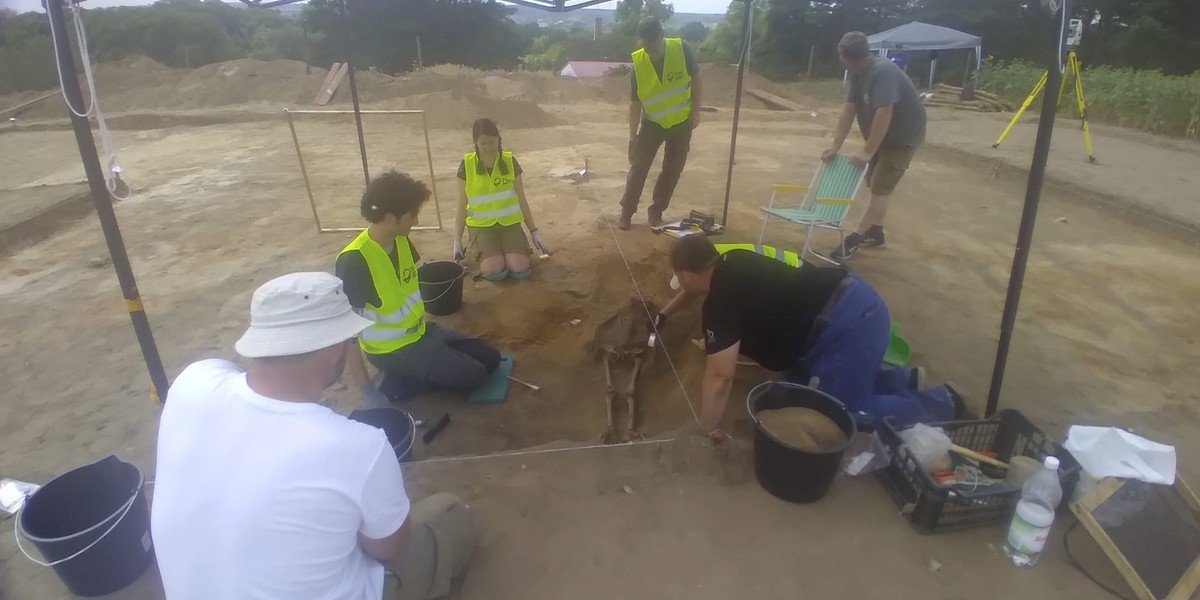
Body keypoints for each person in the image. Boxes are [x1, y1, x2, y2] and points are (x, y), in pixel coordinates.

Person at [152, 272, 475, 600]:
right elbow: (388, 548)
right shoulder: (359, 446)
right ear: (336, 348)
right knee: (448, 516)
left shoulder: (192, 381)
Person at [657, 236, 961, 442]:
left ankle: (940, 402)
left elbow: (721, 375)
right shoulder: (733, 259)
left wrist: (704, 428)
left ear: (685, 274)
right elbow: (694, 288)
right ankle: (902, 381)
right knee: (796, 393)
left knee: (838, 413)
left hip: (844, 327)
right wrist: (665, 314)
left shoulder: (720, 303)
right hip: (853, 299)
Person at [336, 171, 502, 405]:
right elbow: (346, 332)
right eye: (412, 214)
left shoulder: (401, 239)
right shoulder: (354, 260)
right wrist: (366, 389)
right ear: (391, 218)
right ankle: (396, 386)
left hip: (421, 332)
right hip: (391, 350)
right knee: (475, 375)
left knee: (491, 358)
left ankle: (419, 368)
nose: (416, 221)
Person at [824, 31, 927, 261]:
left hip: (902, 138)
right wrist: (835, 146)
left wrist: (868, 150)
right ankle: (876, 231)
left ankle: (854, 239)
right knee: (874, 183)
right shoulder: (857, 73)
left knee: (881, 187)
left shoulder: (883, 73)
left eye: (842, 58)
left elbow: (885, 111)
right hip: (883, 135)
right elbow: (849, 109)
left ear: (850, 58)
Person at [618, 16, 703, 231]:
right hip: (652, 124)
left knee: (672, 169)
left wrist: (696, 111)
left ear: (661, 37)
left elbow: (696, 80)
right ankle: (626, 212)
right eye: (645, 44)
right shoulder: (639, 63)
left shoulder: (682, 49)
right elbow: (634, 103)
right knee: (639, 168)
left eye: (652, 43)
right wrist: (632, 138)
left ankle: (656, 211)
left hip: (681, 123)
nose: (649, 48)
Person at [454, 118, 550, 281]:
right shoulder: (466, 165)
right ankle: (490, 253)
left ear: (499, 139)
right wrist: (457, 239)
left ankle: (510, 250)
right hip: (482, 226)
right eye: (483, 143)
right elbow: (462, 204)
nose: (488, 147)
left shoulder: (510, 161)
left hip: (509, 224)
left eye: (492, 142)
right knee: (494, 271)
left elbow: (521, 199)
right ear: (475, 142)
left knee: (520, 270)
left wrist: (534, 231)